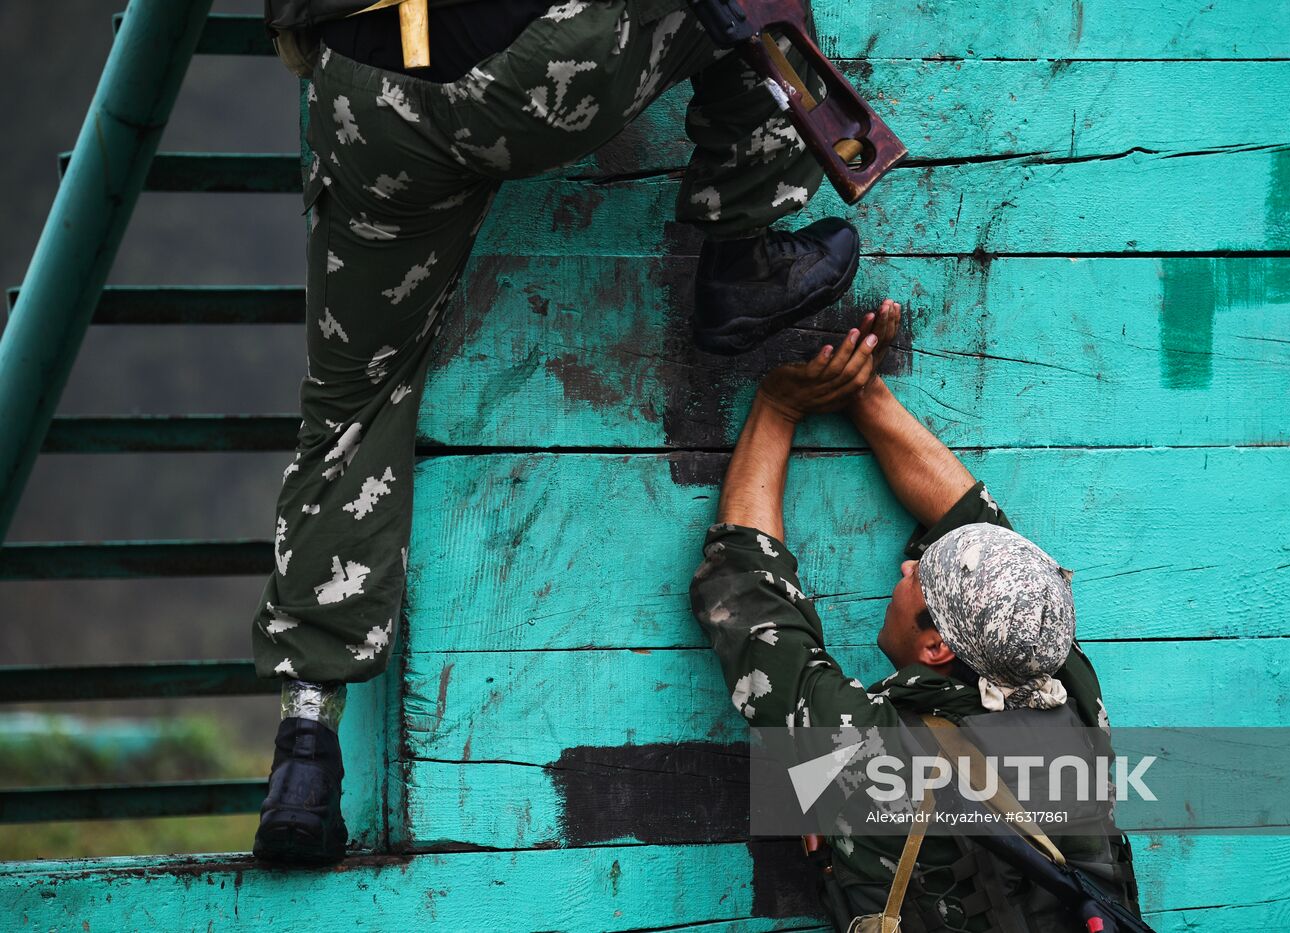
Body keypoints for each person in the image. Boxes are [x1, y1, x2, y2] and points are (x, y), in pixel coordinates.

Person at [252, 0, 861, 864]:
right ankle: (742, 249)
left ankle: (305, 749)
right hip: (529, 70)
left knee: (350, 408)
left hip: (364, 91)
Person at [689, 301, 1141, 931]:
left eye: (922, 575)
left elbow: (746, 586)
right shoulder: (1065, 682)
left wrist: (780, 406)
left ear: (937, 649)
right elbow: (977, 535)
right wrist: (862, 386)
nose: (907, 568)